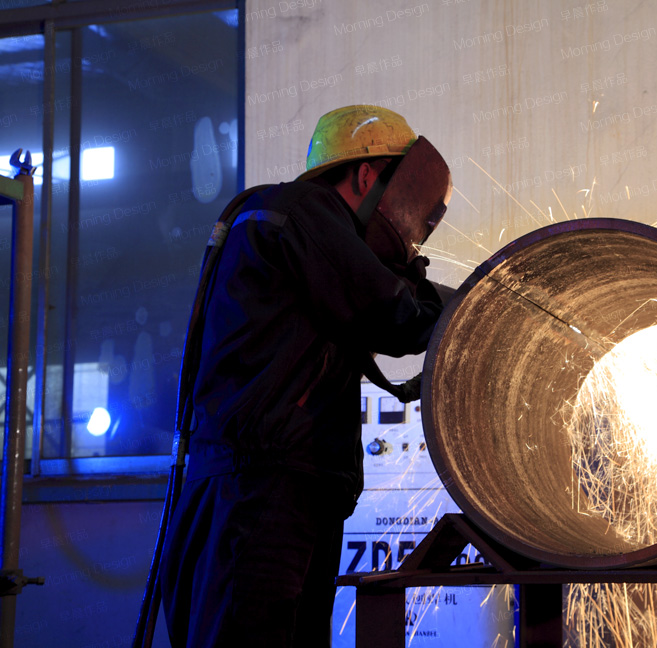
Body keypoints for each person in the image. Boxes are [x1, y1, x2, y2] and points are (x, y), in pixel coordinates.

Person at [159, 105, 453, 647]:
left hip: (284, 483)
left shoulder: (300, 228)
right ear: (368, 174)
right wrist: (477, 315)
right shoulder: (301, 211)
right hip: (262, 489)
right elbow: (394, 312)